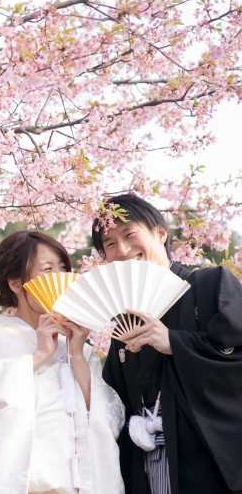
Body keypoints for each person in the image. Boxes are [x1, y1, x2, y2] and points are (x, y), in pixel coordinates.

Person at [0, 231, 125, 494]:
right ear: (17, 283)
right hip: (19, 485)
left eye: (63, 268)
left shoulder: (79, 347)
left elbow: (109, 419)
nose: (60, 277)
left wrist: (76, 355)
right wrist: (38, 356)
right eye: (47, 269)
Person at [95, 193, 242, 494]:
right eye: (109, 244)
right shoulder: (124, 322)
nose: (122, 250)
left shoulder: (210, 285)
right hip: (149, 468)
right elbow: (115, 403)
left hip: (210, 464)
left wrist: (174, 342)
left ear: (161, 233)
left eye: (129, 234)